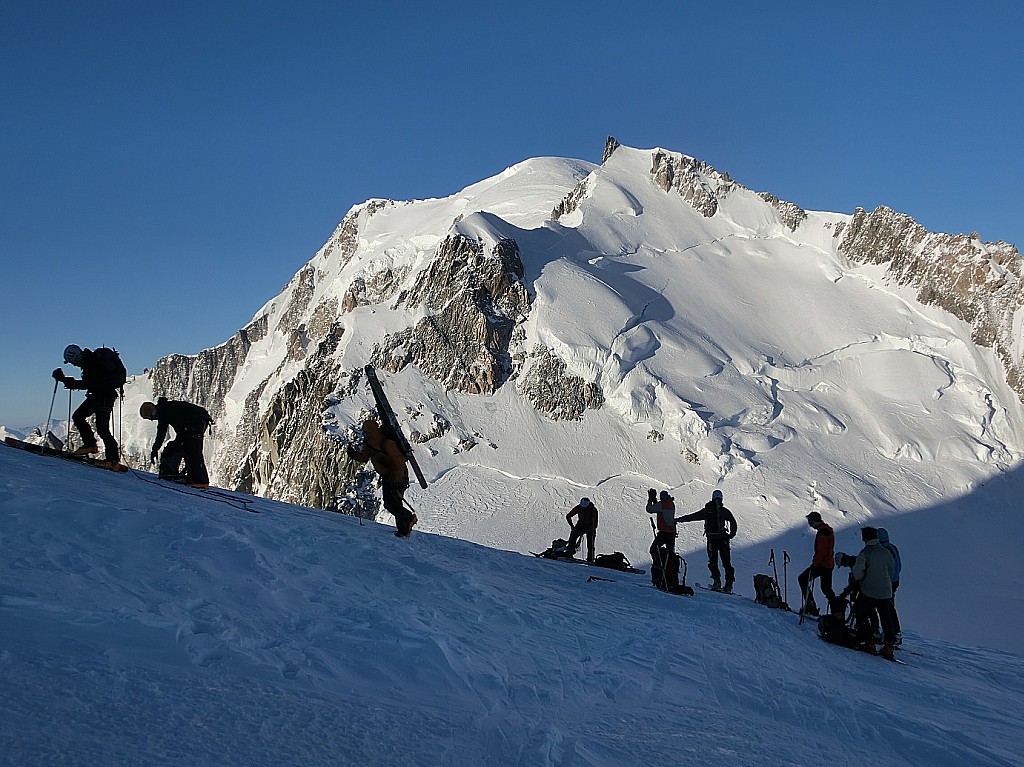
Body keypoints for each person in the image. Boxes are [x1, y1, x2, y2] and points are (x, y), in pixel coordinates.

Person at [51, 344, 121, 469]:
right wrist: (66, 380)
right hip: (101, 395)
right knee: (82, 418)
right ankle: (92, 446)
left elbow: (88, 383)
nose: (73, 364)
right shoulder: (91, 361)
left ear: (76, 357)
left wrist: (64, 380)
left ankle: (111, 459)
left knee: (101, 428)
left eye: (72, 361)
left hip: (103, 396)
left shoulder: (91, 363)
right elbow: (90, 383)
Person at [347, 418, 416, 537]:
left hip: (396, 478)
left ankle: (407, 522)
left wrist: (395, 478)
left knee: (392, 504)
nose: (365, 435)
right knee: (392, 504)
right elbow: (364, 457)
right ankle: (403, 529)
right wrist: (353, 454)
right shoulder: (370, 444)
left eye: (366, 432)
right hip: (389, 476)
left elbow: (399, 462)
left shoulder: (386, 443)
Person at [140, 398, 213, 488]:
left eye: (151, 418)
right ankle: (194, 478)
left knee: (193, 450)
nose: (153, 419)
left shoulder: (163, 412)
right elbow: (180, 428)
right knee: (189, 448)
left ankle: (200, 480)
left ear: (152, 413)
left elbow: (161, 433)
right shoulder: (165, 408)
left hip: (196, 423)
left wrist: (155, 449)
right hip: (197, 421)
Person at [677, 489, 738, 592]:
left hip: (712, 539)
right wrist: (730, 535)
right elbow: (733, 522)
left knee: (713, 562)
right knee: (727, 563)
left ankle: (717, 582)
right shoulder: (724, 511)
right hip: (723, 539)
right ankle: (729, 585)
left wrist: (678, 520)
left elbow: (693, 516)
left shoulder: (707, 510)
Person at [852, 526, 898, 659]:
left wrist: (861, 580)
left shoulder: (865, 553)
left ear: (864, 538)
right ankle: (889, 646)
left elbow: (858, 573)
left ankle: (869, 641)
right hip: (885, 591)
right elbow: (891, 570)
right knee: (886, 617)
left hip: (869, 590)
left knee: (861, 612)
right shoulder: (886, 552)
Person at [797, 511, 837, 616]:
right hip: (828, 564)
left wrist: (815, 563)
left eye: (810, 522)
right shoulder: (826, 530)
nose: (810, 525)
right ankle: (837, 611)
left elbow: (822, 551)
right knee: (827, 589)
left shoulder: (822, 532)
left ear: (815, 521)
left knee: (802, 579)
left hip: (821, 564)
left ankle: (810, 605)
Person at [647, 489, 679, 589]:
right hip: (671, 534)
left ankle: (658, 569)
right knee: (670, 556)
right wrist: (656, 501)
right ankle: (670, 577)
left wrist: (650, 499)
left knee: (653, 550)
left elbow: (649, 509)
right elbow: (660, 508)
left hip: (664, 533)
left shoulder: (662, 505)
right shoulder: (671, 504)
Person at [877, 527, 903, 645]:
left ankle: (893, 633)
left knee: (887, 607)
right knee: (890, 605)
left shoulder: (883, 551)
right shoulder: (893, 548)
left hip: (887, 582)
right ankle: (894, 632)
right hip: (895, 580)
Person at [565, 497, 598, 562]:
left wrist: (588, 530)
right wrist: (572, 526)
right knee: (573, 537)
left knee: (590, 543)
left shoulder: (593, 510)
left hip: (590, 526)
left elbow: (595, 523)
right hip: (581, 525)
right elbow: (568, 516)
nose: (583, 509)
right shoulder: (579, 507)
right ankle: (570, 553)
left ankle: (590, 558)